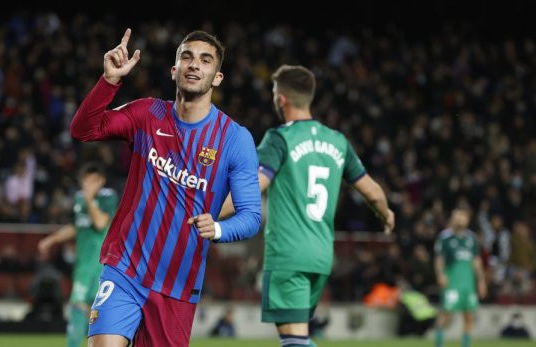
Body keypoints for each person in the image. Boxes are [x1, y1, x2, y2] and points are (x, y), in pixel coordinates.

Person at [70, 28, 261, 347]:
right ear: (174, 70)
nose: (194, 64)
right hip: (125, 268)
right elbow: (83, 130)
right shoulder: (147, 114)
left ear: (217, 77)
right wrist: (110, 82)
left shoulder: (234, 139)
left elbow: (251, 215)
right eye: (186, 57)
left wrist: (217, 229)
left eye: (205, 60)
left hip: (177, 285)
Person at [220, 65, 395, 347]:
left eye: (275, 93)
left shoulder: (280, 139)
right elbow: (373, 192)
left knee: (294, 341)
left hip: (289, 255)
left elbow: (251, 190)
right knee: (296, 338)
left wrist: (209, 215)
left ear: (282, 98)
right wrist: (386, 214)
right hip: (322, 258)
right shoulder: (337, 141)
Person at [38, 162, 118, 347]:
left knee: (98, 313)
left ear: (101, 181)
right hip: (83, 266)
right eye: (86, 181)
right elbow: (77, 226)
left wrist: (90, 199)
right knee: (79, 307)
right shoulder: (80, 199)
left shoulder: (108, 198)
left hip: (102, 266)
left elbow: (100, 223)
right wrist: (51, 240)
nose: (88, 185)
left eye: (93, 181)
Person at [434, 207, 487, 347]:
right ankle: (439, 344)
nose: (460, 219)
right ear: (453, 218)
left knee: (469, 316)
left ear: (467, 219)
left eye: (463, 216)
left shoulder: (471, 238)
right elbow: (439, 259)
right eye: (457, 216)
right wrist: (440, 274)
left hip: (468, 282)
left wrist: (481, 281)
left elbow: (476, 261)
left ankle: (466, 345)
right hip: (452, 281)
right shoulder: (444, 237)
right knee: (446, 314)